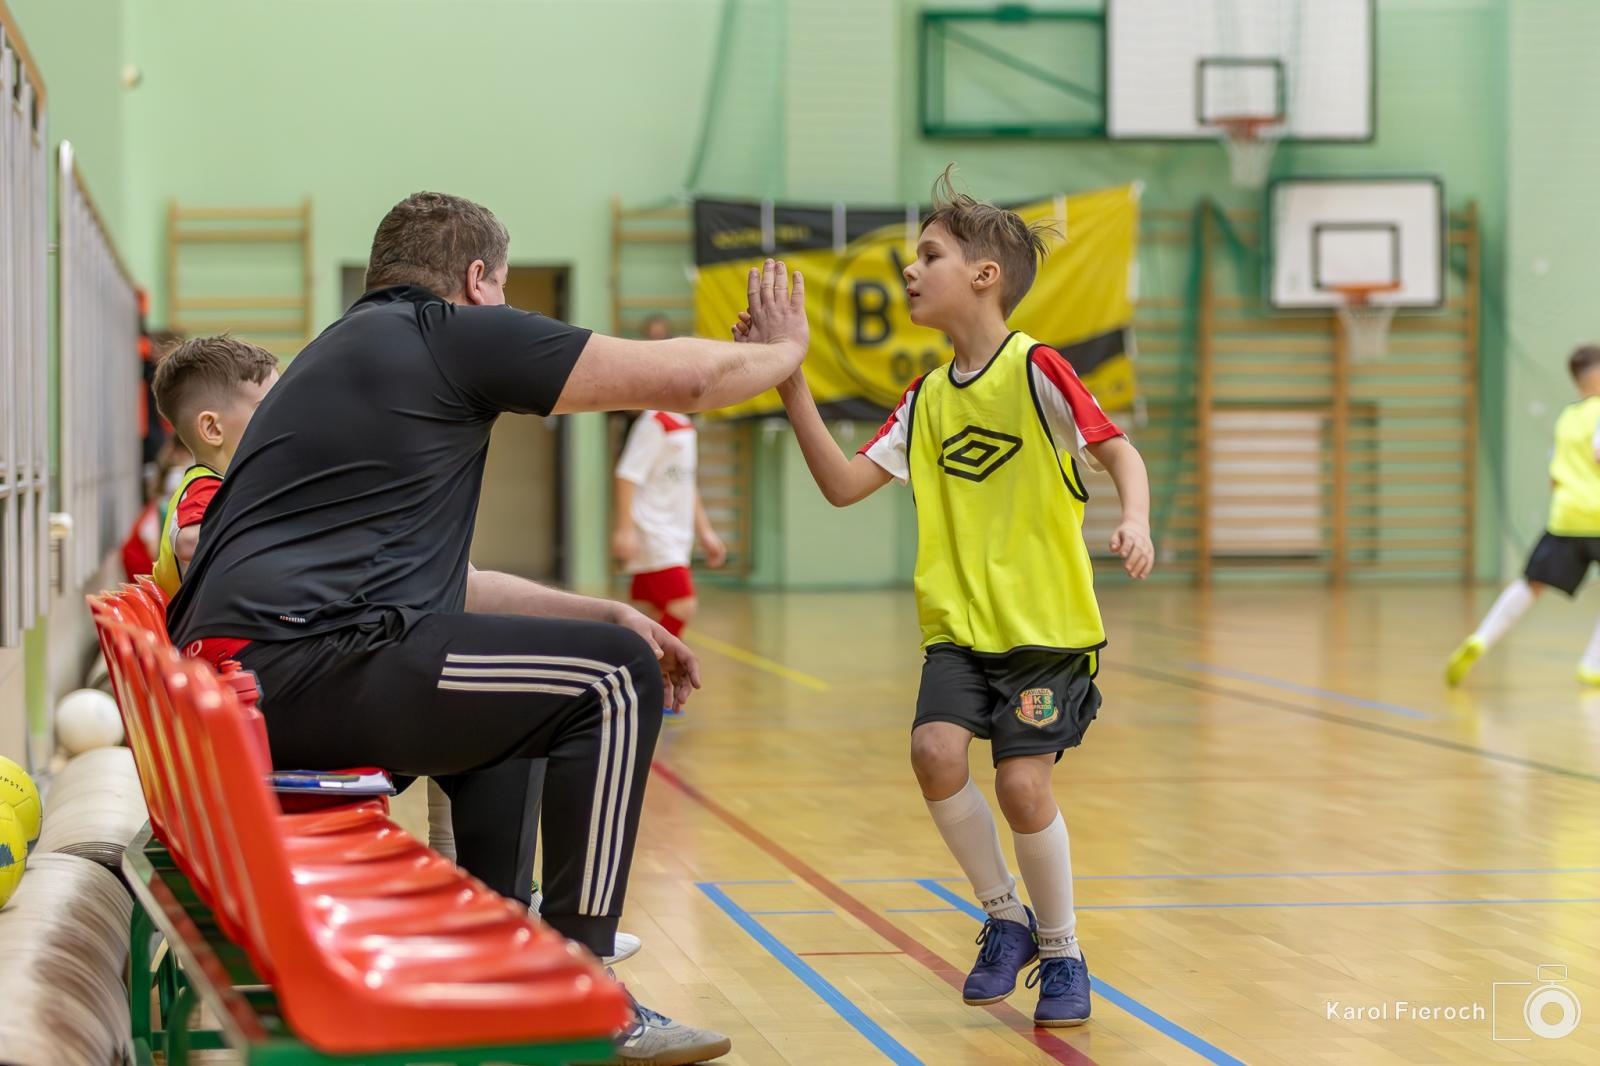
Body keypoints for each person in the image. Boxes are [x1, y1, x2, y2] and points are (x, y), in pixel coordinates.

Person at [168, 191, 809, 1064]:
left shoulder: (338, 354)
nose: (506, 307)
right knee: (612, 678)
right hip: (298, 673)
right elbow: (689, 379)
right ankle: (584, 992)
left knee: (529, 699)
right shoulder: (448, 333)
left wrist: (606, 608)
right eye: (502, 287)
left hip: (259, 682)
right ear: (477, 279)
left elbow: (455, 585)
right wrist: (787, 351)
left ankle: (512, 968)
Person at [739, 169, 1153, 1027]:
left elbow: (1120, 452)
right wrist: (790, 380)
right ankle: (1006, 918)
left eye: (928, 255)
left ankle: (1065, 949)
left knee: (1023, 788)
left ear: (984, 274)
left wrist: (1136, 521)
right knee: (934, 752)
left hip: (1047, 633)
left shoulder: (1036, 367)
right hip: (959, 634)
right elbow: (845, 485)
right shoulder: (925, 398)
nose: (910, 271)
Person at [1447, 344, 1600, 686]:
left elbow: (1554, 474)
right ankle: (1593, 665)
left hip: (1567, 516)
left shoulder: (1568, 417)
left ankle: (1481, 639)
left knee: (1531, 584)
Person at [612, 315, 728, 649]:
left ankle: (634, 670)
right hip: (654, 532)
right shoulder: (655, 421)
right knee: (683, 605)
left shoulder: (683, 424)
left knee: (647, 613)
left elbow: (686, 484)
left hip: (677, 535)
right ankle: (657, 671)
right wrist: (625, 529)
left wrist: (705, 531)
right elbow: (627, 474)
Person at [148, 337, 279, 597]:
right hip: (216, 634)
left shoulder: (224, 486)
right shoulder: (205, 486)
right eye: (267, 410)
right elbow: (187, 542)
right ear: (212, 428)